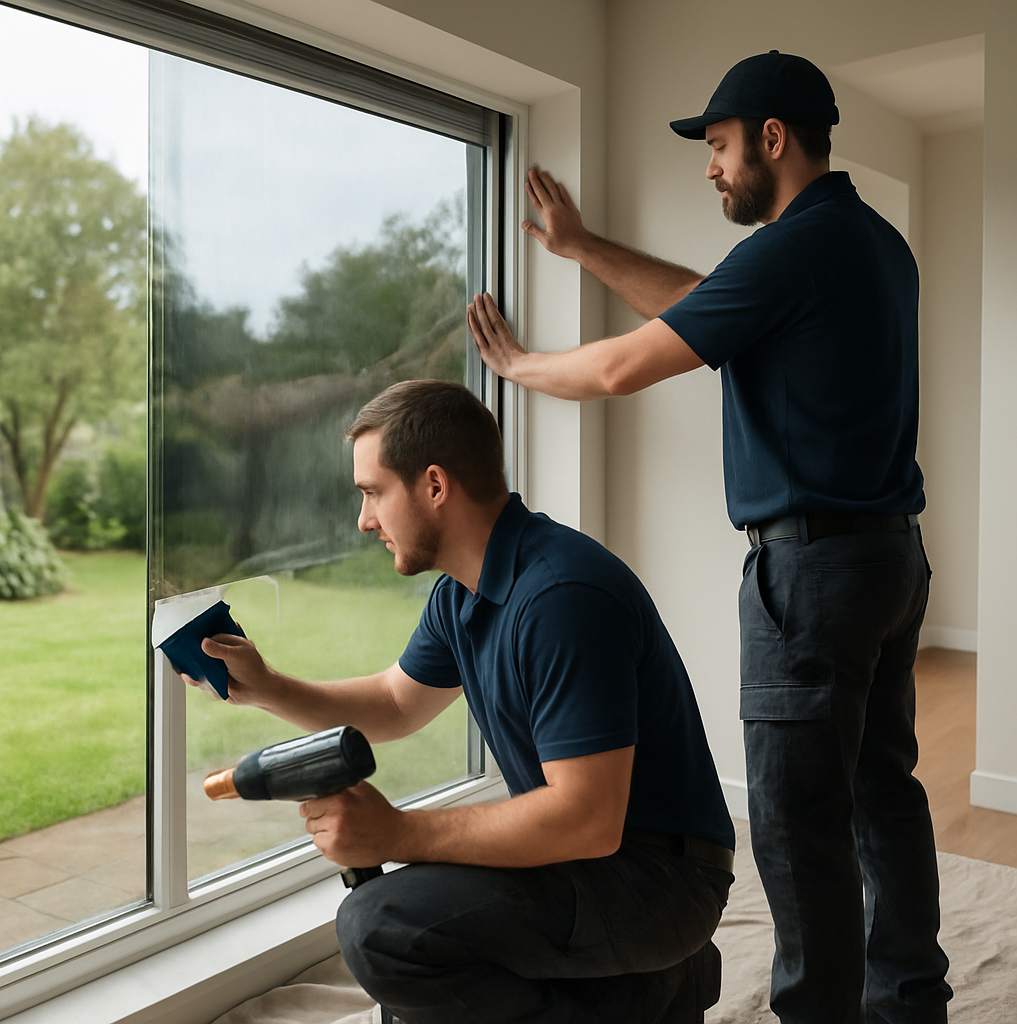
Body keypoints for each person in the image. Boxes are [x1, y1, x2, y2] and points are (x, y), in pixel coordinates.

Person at [467, 50, 951, 1024]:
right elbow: (704, 298)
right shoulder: (868, 241)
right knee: (879, 791)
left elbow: (620, 368)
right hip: (887, 555)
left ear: (774, 139)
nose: (710, 166)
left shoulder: (794, 248)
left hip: (809, 572)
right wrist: (584, 248)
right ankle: (909, 1001)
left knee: (793, 819)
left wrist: (518, 366)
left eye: (721, 145)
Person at [196, 378, 735, 1024]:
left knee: (381, 926)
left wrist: (397, 832)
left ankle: (646, 988)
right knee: (404, 940)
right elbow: (396, 703)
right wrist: (269, 687)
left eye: (372, 493)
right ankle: (649, 989)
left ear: (433, 485)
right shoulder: (463, 593)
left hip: (660, 882)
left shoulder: (562, 597)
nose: (364, 519)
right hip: (594, 863)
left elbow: (587, 818)